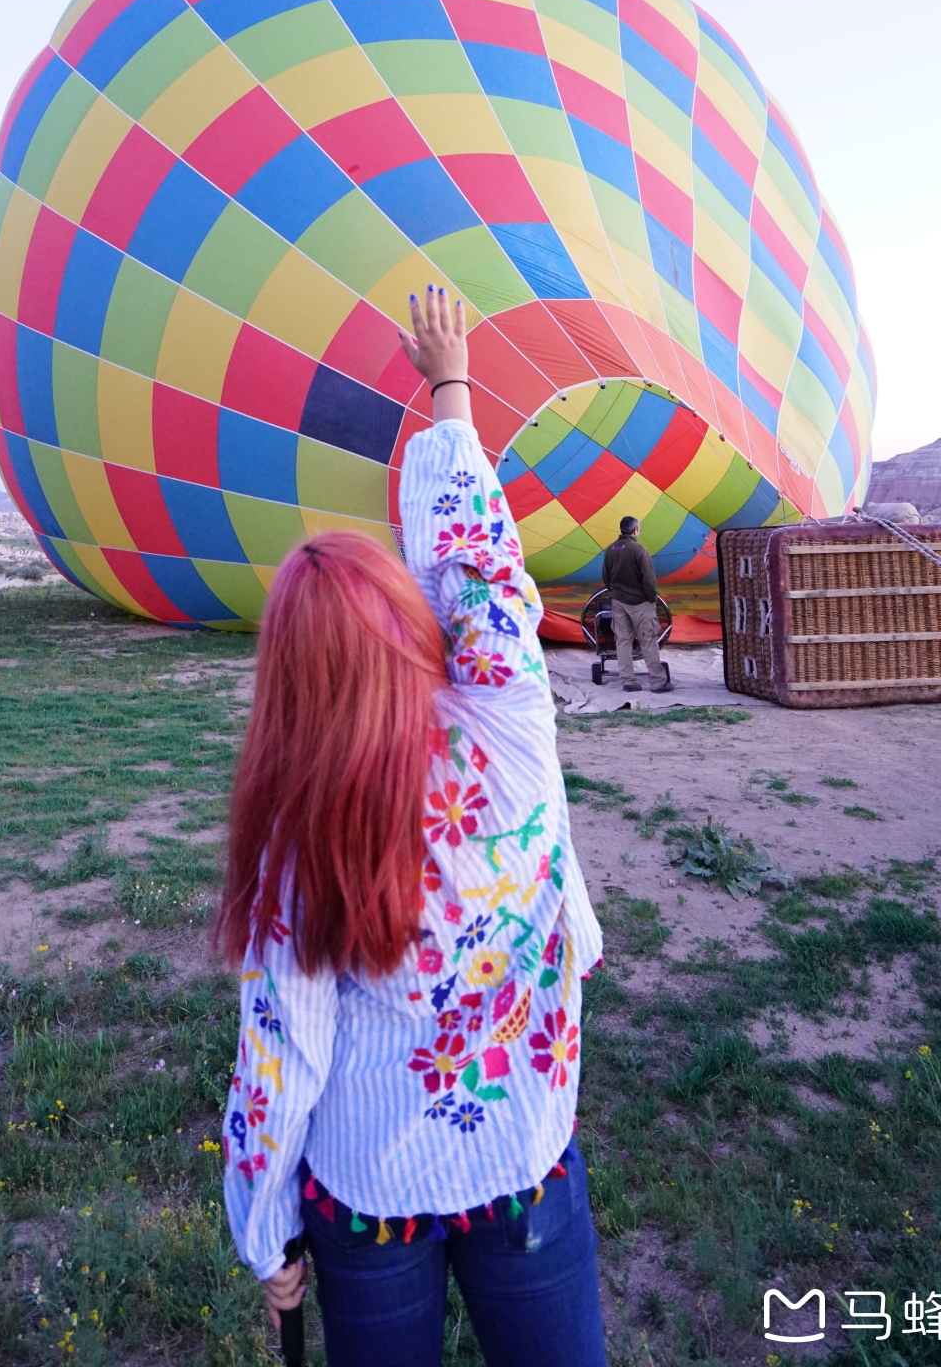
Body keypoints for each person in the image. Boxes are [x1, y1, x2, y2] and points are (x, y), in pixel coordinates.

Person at [218, 285, 607, 1367]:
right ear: (407, 622)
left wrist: (265, 1228)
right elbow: (481, 569)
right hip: (524, 1153)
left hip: (369, 1192)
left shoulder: (301, 833)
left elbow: (280, 1054)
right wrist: (450, 385)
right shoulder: (509, 716)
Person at [601, 516, 670, 693]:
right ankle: (658, 682)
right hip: (640, 603)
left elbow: (606, 577)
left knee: (622, 642)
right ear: (635, 531)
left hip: (618, 602)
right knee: (648, 641)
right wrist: (651, 598)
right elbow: (649, 580)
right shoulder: (639, 551)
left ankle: (628, 682)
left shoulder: (611, 550)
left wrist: (614, 592)